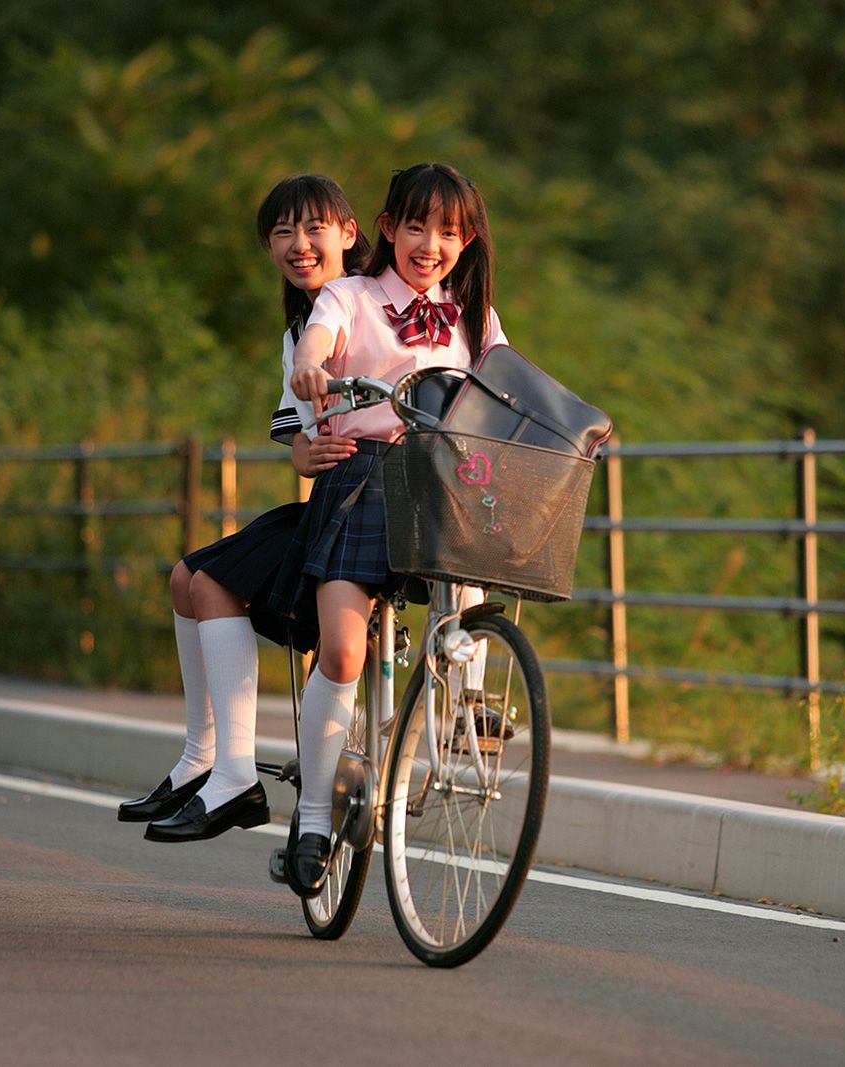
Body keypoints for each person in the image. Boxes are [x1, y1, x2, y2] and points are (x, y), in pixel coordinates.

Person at [116, 174, 367, 842]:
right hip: (333, 498)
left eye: (314, 228)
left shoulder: (374, 302)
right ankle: (205, 759)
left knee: (212, 582)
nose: (298, 244)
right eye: (282, 232)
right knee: (184, 577)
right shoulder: (299, 330)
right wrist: (303, 454)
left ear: (349, 231)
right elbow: (304, 437)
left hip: (368, 508)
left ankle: (231, 773)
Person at [276, 162, 504, 893]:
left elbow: (512, 384)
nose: (429, 244)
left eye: (447, 231)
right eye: (415, 226)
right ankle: (313, 820)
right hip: (365, 474)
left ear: (466, 240)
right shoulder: (350, 295)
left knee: (475, 561)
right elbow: (317, 344)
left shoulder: (474, 316)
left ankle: (463, 686)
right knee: (342, 651)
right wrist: (312, 371)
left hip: (445, 479)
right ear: (387, 228)